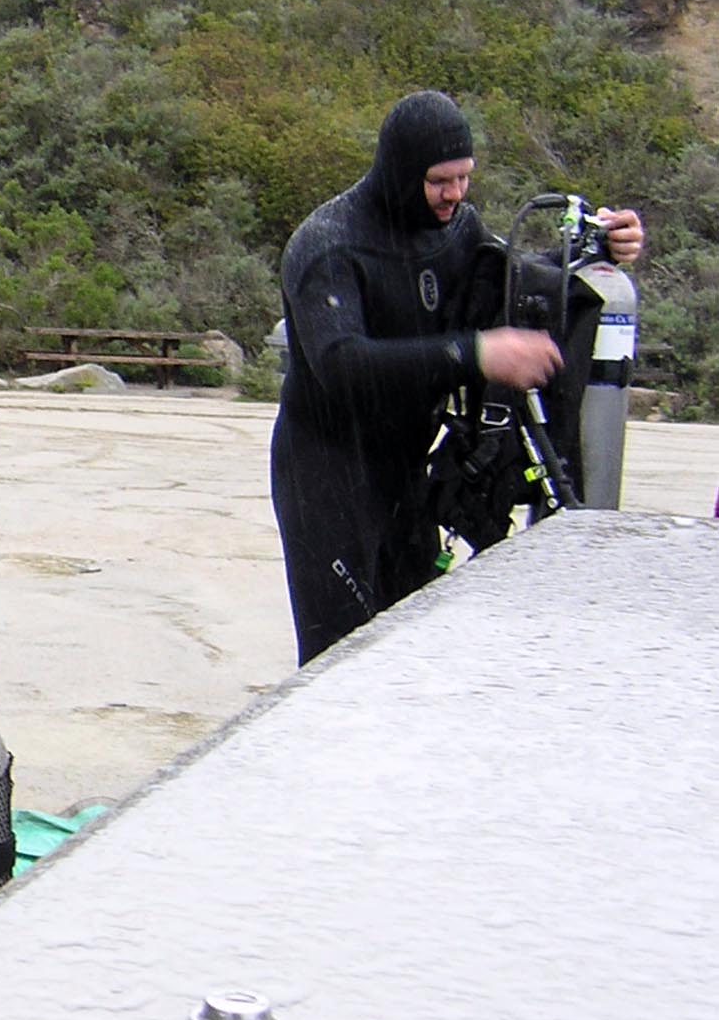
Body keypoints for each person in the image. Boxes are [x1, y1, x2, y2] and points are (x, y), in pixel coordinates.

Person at [270, 89, 644, 663]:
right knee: (335, 663)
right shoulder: (328, 245)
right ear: (401, 171)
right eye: (439, 181)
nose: (455, 194)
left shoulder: (455, 228)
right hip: (327, 474)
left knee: (407, 649)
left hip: (406, 470)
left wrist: (598, 247)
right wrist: (475, 355)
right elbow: (342, 366)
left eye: (464, 178)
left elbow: (505, 283)